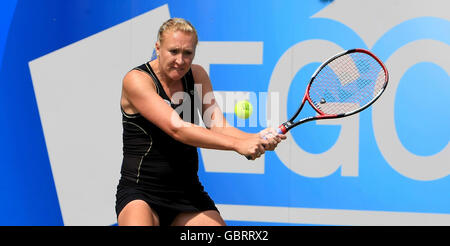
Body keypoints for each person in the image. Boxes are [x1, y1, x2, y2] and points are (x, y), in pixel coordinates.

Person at [115, 17, 286, 226]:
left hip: (187, 193)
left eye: (188, 53)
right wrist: (238, 145)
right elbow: (176, 128)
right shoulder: (137, 80)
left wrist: (256, 137)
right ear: (158, 47)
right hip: (141, 193)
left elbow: (217, 124)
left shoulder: (196, 75)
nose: (180, 60)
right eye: (173, 51)